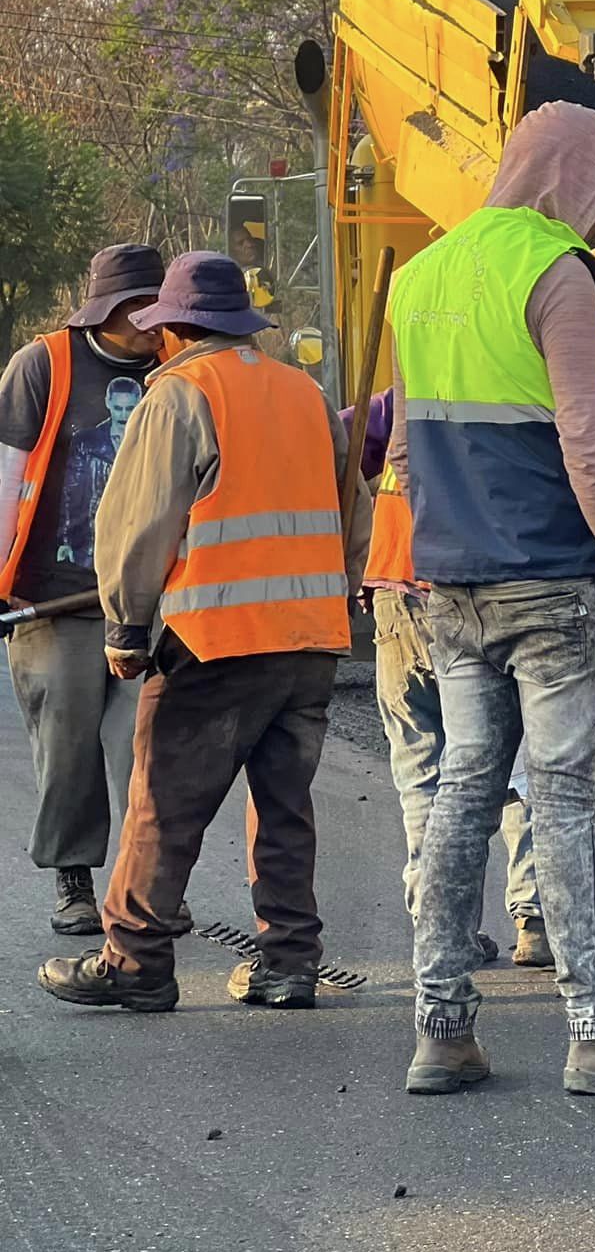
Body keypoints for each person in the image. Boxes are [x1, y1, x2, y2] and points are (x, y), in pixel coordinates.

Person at [387, 101, 595, 1097]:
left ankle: (441, 1028)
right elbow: (587, 436)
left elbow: (402, 445)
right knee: (566, 796)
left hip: (450, 581)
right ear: (569, 178)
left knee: (463, 788)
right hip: (550, 583)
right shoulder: (556, 270)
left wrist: (424, 558)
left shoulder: (418, 276)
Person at [35, 252, 368, 1014]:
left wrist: (125, 624)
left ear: (178, 328)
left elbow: (139, 522)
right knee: (284, 810)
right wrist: (341, 596)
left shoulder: (181, 394)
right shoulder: (305, 395)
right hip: (311, 641)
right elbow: (355, 513)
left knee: (164, 805)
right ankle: (288, 963)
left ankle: (136, 961)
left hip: (215, 639)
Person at [356, 388, 595, 970]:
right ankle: (540, 921)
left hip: (401, 589)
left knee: (431, 776)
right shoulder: (523, 398)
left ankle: (440, 932)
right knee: (530, 769)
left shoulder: (402, 400)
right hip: (491, 587)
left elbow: (345, 446)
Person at [1, 243, 167, 937]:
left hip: (149, 600)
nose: (148, 320)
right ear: (104, 310)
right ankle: (74, 880)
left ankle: (145, 884)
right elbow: (7, 472)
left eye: (155, 306)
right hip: (55, 595)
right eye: (135, 307)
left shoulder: (177, 369)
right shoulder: (44, 365)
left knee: (145, 745)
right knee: (66, 745)